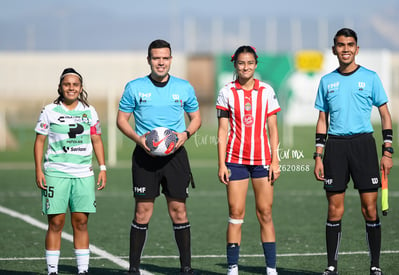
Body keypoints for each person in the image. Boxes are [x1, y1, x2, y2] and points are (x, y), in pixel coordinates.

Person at [117, 39, 201, 275]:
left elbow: (197, 118)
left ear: (171, 60)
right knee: (142, 212)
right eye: (156, 58)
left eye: (165, 58)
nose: (161, 62)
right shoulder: (134, 87)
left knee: (179, 211)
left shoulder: (184, 87)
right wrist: (138, 139)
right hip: (145, 158)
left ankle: (186, 268)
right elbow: (121, 120)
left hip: (175, 158)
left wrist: (186, 134)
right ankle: (133, 269)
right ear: (149, 60)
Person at [313, 28, 393, 275]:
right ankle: (331, 266)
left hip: (363, 146)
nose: (345, 49)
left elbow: (385, 114)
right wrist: (318, 154)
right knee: (334, 209)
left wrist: (387, 151)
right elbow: (322, 119)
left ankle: (375, 265)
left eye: (350, 45)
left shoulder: (370, 77)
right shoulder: (327, 81)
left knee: (369, 208)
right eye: (340, 45)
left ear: (357, 49)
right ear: (334, 49)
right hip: (335, 148)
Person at [34, 68, 107, 275]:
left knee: (81, 222)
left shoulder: (90, 111)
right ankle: (52, 271)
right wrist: (39, 169)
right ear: (60, 87)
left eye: (75, 84)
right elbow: (40, 141)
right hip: (55, 173)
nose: (71, 88)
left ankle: (83, 270)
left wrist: (102, 167)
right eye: (67, 84)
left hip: (84, 173)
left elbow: (96, 139)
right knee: (56, 222)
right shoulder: (49, 110)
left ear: (81, 88)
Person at [216, 45, 281, 275]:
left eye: (250, 63)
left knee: (265, 212)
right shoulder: (226, 92)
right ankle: (232, 268)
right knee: (236, 212)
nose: (246, 67)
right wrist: (221, 163)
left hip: (262, 161)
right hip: (235, 161)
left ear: (256, 64)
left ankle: (271, 268)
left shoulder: (266, 91)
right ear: (235, 64)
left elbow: (273, 129)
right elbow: (222, 131)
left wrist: (275, 160)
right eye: (241, 63)